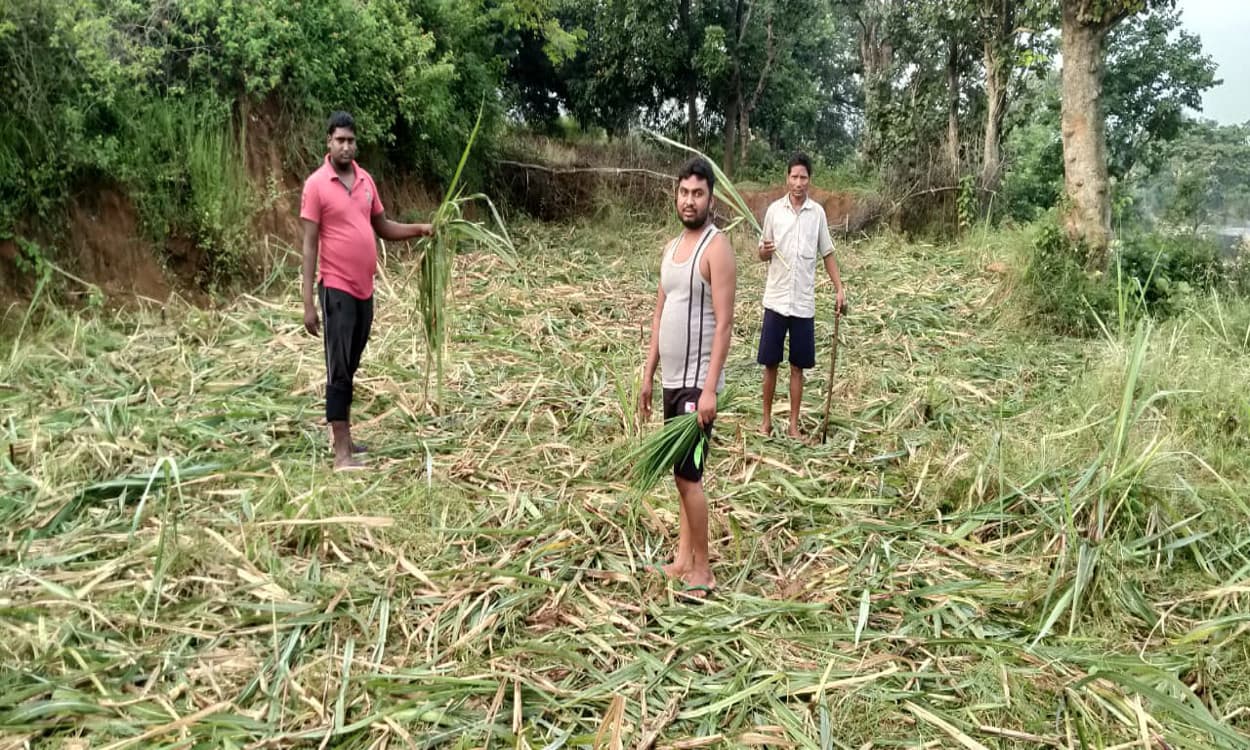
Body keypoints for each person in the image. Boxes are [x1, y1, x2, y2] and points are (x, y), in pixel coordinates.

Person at [300, 111, 432, 471]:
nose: (346, 146)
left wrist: (420, 229)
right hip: (336, 288)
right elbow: (310, 245)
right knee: (339, 367)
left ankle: (343, 435)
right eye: (340, 140)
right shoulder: (316, 185)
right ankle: (342, 454)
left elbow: (383, 226)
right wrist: (308, 301)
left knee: (352, 362)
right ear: (329, 141)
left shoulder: (365, 181)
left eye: (351, 140)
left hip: (364, 289)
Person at [639, 157, 737, 600]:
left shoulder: (716, 248)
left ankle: (705, 569)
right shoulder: (672, 247)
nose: (690, 200)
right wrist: (647, 375)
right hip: (670, 382)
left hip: (697, 386)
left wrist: (711, 387)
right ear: (675, 195)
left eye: (698, 193)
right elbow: (660, 313)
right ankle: (683, 559)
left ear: (710, 198)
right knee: (681, 475)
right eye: (684, 192)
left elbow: (724, 324)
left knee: (689, 476)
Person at [756, 152, 846, 438]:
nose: (798, 182)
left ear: (810, 180)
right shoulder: (774, 211)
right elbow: (761, 251)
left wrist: (839, 288)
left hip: (803, 304)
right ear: (787, 178)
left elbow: (827, 252)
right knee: (770, 364)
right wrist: (764, 252)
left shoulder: (816, 214)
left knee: (798, 367)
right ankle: (766, 422)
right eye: (794, 177)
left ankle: (793, 425)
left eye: (803, 177)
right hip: (776, 300)